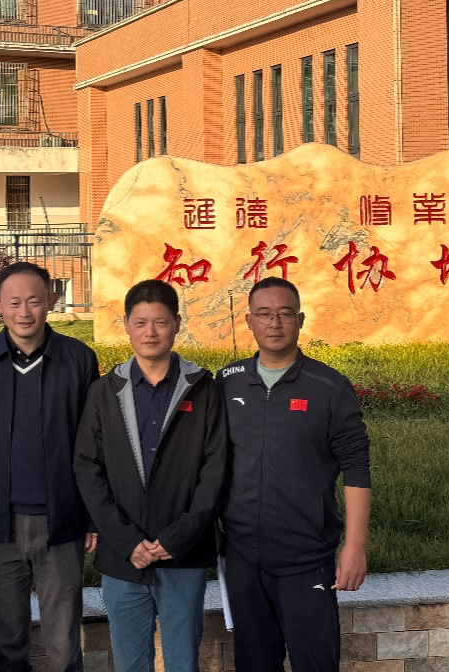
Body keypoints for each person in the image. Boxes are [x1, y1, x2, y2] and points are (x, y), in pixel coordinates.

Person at [217, 276, 371, 672]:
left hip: (305, 557)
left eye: (285, 314)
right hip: (242, 556)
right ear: (249, 321)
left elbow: (356, 467)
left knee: (315, 663)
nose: (275, 323)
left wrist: (354, 547)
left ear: (300, 320)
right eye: (264, 314)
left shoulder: (329, 387)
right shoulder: (227, 382)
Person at [74, 280, 228, 672]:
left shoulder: (203, 390)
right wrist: (126, 540)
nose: (150, 332)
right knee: (130, 663)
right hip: (123, 556)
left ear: (176, 323)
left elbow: (215, 469)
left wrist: (178, 537)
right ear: (126, 324)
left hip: (182, 553)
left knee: (183, 661)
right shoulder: (104, 392)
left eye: (160, 322)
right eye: (140, 323)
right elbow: (88, 467)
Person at [0, 262, 100, 672]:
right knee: (7, 645)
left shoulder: (78, 359)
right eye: (14, 302)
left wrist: (92, 516)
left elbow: (93, 443)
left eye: (34, 301)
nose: (24, 312)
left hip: (61, 524)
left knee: (63, 647)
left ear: (52, 301)